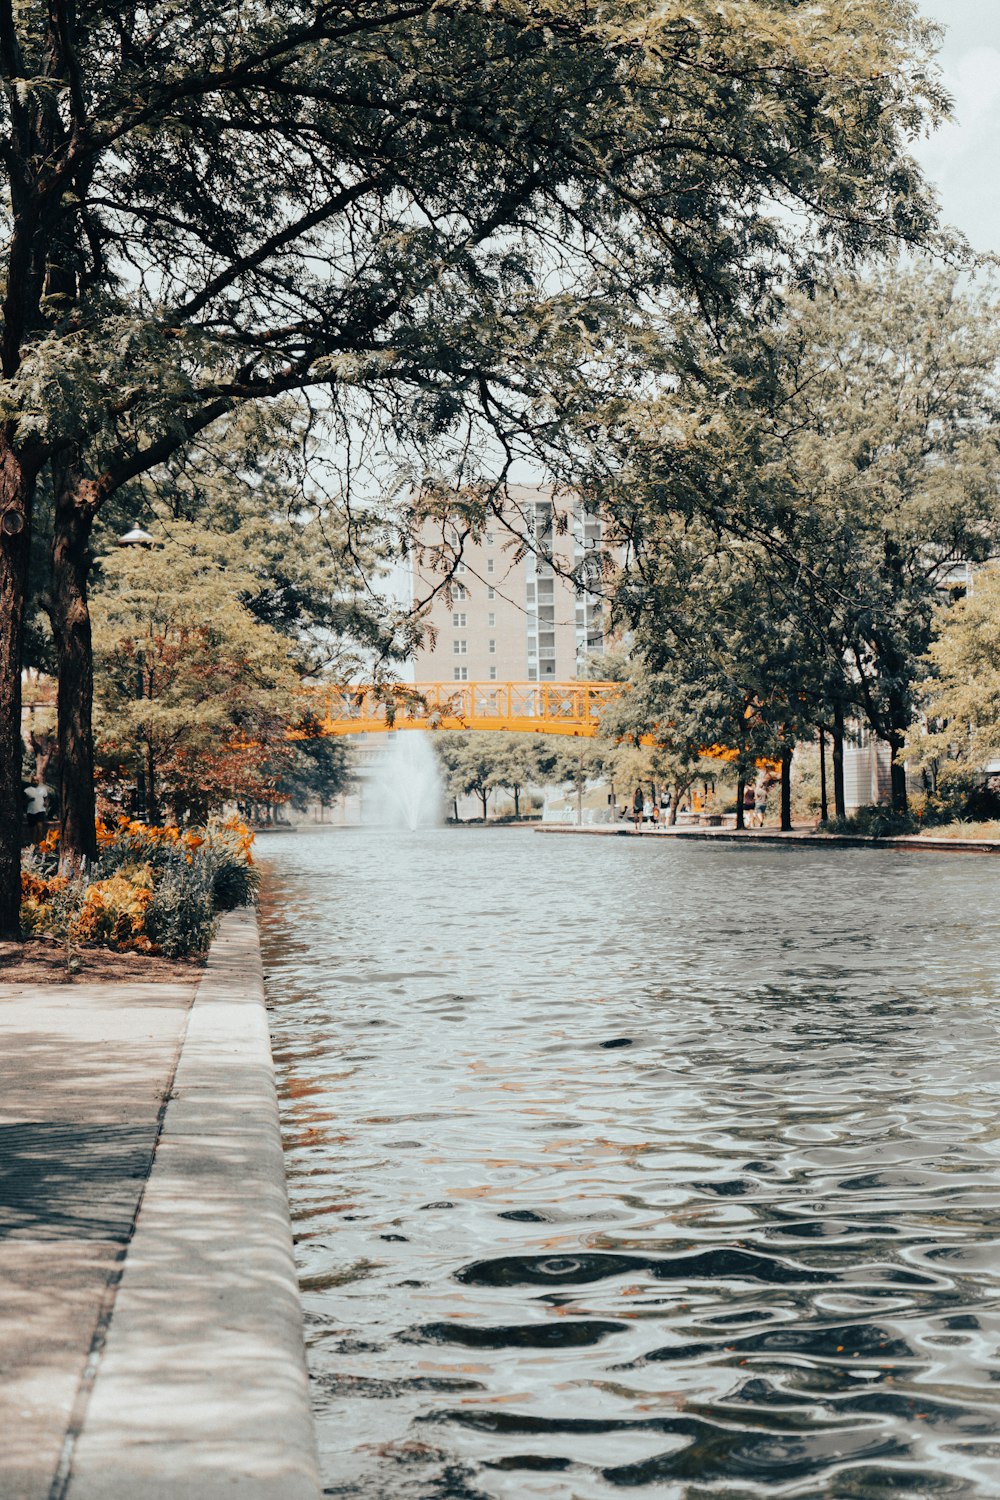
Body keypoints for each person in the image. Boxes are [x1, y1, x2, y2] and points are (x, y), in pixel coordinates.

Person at [23, 779, 50, 844]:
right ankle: (33, 844)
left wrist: (46, 803)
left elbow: (46, 798)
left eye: (37, 780)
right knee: (33, 830)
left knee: (40, 829)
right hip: (31, 811)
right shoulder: (27, 790)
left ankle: (39, 844)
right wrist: (29, 800)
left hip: (40, 811)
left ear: (38, 781)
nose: (35, 782)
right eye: (34, 780)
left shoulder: (43, 789)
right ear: (31, 781)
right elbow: (23, 802)